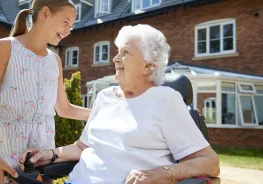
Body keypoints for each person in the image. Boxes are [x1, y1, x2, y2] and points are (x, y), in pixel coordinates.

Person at [20, 24, 220, 184]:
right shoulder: (105, 96)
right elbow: (82, 147)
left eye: (125, 53)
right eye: (118, 52)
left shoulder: (165, 100)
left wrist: (163, 173)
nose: (115, 59)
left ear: (149, 65)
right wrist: (49, 154)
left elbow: (210, 163)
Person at [0, 0, 91, 183]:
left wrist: (103, 112)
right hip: (2, 155)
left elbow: (64, 109)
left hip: (41, 158)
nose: (69, 30)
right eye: (66, 22)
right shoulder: (5, 48)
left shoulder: (55, 61)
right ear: (45, 13)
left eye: (72, 25)